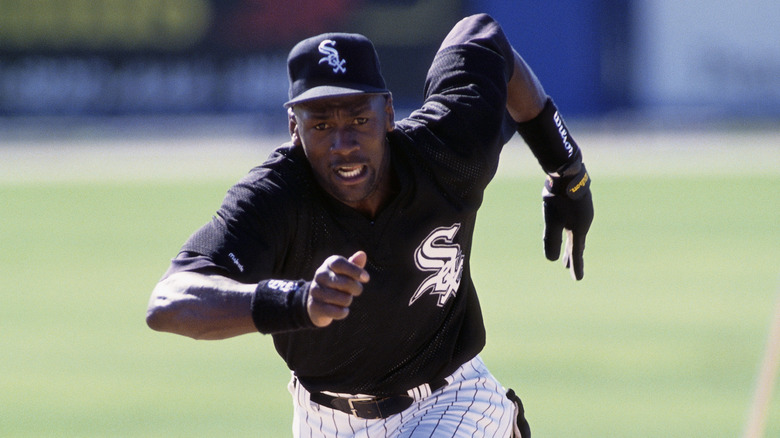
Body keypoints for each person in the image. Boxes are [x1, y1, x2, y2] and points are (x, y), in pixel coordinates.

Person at [146, 13, 593, 438]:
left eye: (359, 119)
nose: (344, 144)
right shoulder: (274, 198)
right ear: (294, 129)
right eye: (321, 124)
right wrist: (295, 301)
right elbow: (168, 301)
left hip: (453, 399)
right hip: (322, 418)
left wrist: (566, 168)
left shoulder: (446, 151)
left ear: (388, 113)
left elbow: (482, 36)